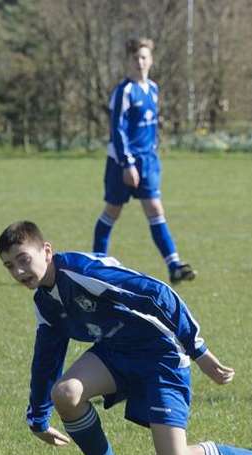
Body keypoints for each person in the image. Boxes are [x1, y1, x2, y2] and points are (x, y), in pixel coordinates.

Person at [0, 221, 252, 455]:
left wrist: (201, 353)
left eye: (23, 259)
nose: (19, 271)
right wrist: (38, 417)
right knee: (65, 394)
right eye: (10, 266)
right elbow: (46, 359)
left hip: (161, 356)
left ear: (47, 251)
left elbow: (158, 294)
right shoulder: (45, 301)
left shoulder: (83, 273)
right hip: (115, 353)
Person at [92, 38, 196, 285]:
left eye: (144, 57)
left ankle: (174, 266)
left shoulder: (153, 88)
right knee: (112, 211)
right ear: (128, 61)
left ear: (151, 60)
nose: (140, 62)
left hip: (148, 161)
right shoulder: (124, 91)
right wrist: (127, 164)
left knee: (155, 209)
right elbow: (117, 130)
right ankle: (95, 266)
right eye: (135, 58)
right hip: (122, 162)